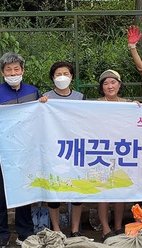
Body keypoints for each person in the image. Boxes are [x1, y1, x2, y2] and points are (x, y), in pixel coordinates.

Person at [0, 52, 39, 248]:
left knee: (25, 189)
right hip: (1, 151)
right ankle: (1, 236)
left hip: (25, 150)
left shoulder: (33, 91)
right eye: (8, 69)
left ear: (22, 70)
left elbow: (41, 116)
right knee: (0, 194)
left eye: (16, 69)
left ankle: (25, 233)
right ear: (2, 72)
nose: (13, 72)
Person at [38, 61, 85, 237]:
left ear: (72, 76)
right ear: (52, 78)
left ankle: (74, 230)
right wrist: (41, 104)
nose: (62, 77)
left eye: (66, 73)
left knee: (77, 191)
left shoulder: (80, 97)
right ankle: (56, 230)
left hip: (75, 149)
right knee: (54, 192)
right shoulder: (46, 98)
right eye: (58, 74)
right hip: (54, 150)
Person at [96, 69, 131, 240]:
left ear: (119, 84)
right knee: (103, 191)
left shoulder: (128, 104)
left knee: (120, 190)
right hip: (101, 152)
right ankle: (105, 228)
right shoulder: (94, 105)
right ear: (101, 87)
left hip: (122, 151)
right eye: (106, 83)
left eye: (113, 82)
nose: (110, 86)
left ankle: (118, 226)